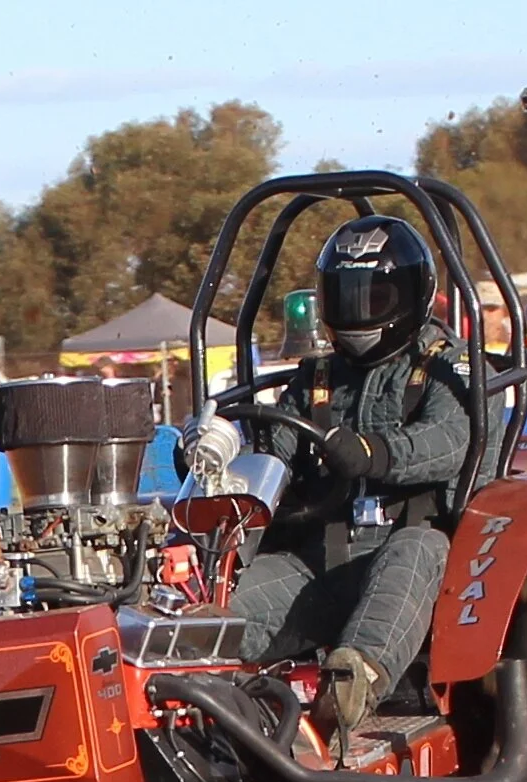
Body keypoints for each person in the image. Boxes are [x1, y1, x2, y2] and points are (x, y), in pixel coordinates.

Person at [190, 214, 500, 734]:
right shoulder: (318, 375)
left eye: (372, 298)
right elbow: (277, 452)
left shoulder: (452, 367)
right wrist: (216, 458)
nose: (357, 313)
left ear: (410, 295)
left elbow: (453, 441)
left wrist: (372, 451)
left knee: (417, 550)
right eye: (345, 296)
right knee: (219, 606)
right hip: (320, 559)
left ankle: (353, 682)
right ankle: (195, 696)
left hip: (420, 554)